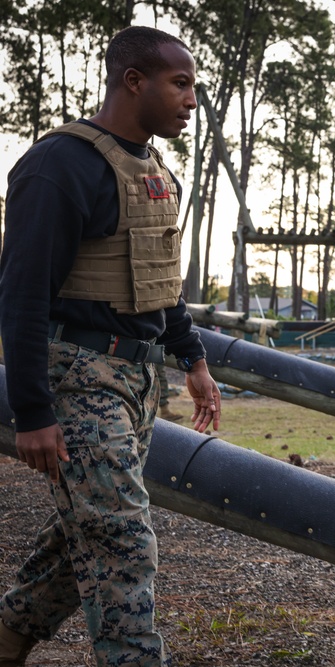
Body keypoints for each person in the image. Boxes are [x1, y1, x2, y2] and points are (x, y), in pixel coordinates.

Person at [0, 25, 221, 666]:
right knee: (122, 541)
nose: (189, 100)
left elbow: (159, 282)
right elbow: (19, 296)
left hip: (136, 379)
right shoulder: (58, 167)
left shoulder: (150, 170)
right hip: (76, 375)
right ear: (134, 81)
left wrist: (194, 360)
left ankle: (8, 636)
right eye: (179, 84)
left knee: (83, 532)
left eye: (193, 87)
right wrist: (34, 412)